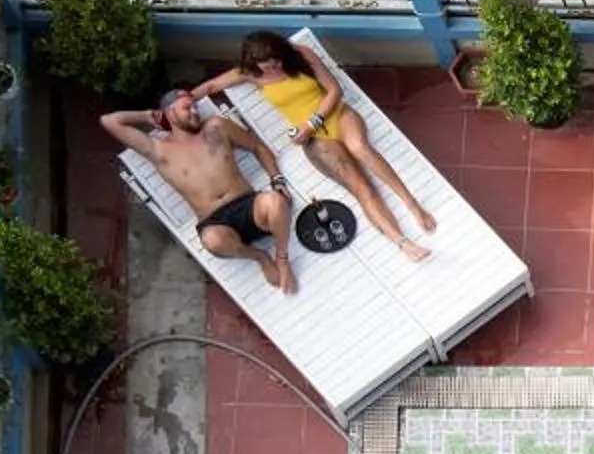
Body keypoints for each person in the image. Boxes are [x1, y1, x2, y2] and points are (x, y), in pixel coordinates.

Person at [195, 31, 435, 261]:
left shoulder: (300, 54)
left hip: (336, 115)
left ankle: (413, 204)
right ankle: (403, 243)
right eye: (267, 64)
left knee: (360, 148)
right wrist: (178, 103)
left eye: (277, 59)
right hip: (316, 139)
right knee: (360, 186)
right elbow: (210, 87)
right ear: (254, 62)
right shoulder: (249, 74)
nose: (275, 66)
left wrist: (313, 122)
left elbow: (334, 90)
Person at [99, 95, 299, 295]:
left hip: (248, 206)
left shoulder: (216, 127)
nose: (195, 111)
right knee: (212, 241)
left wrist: (277, 180)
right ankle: (260, 257)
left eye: (195, 106)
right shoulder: (158, 149)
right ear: (170, 113)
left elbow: (257, 146)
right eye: (187, 107)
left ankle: (282, 259)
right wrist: (149, 116)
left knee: (275, 201)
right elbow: (109, 121)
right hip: (216, 222)